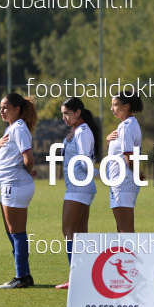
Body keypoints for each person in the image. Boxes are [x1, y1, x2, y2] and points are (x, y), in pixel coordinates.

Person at [56, 97, 101, 289]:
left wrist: (99, 173)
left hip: (78, 188)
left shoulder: (82, 131)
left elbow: (84, 162)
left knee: (68, 231)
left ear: (78, 112)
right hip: (82, 187)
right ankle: (84, 276)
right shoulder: (79, 130)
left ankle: (76, 277)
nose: (64, 117)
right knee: (81, 234)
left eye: (67, 113)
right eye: (63, 114)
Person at [0, 93, 39, 288]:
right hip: (9, 185)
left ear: (17, 109)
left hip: (16, 185)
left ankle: (21, 277)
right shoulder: (12, 128)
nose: (1, 111)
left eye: (5, 107)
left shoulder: (19, 127)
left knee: (17, 232)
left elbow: (29, 159)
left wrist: (26, 172)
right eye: (1, 107)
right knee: (11, 231)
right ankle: (24, 274)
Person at [105, 90, 144, 233]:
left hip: (122, 183)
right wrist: (108, 141)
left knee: (125, 230)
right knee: (123, 229)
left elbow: (129, 157)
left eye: (115, 105)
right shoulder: (129, 124)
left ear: (126, 106)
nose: (112, 108)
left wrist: (137, 173)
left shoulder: (126, 126)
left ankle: (131, 250)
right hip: (123, 182)